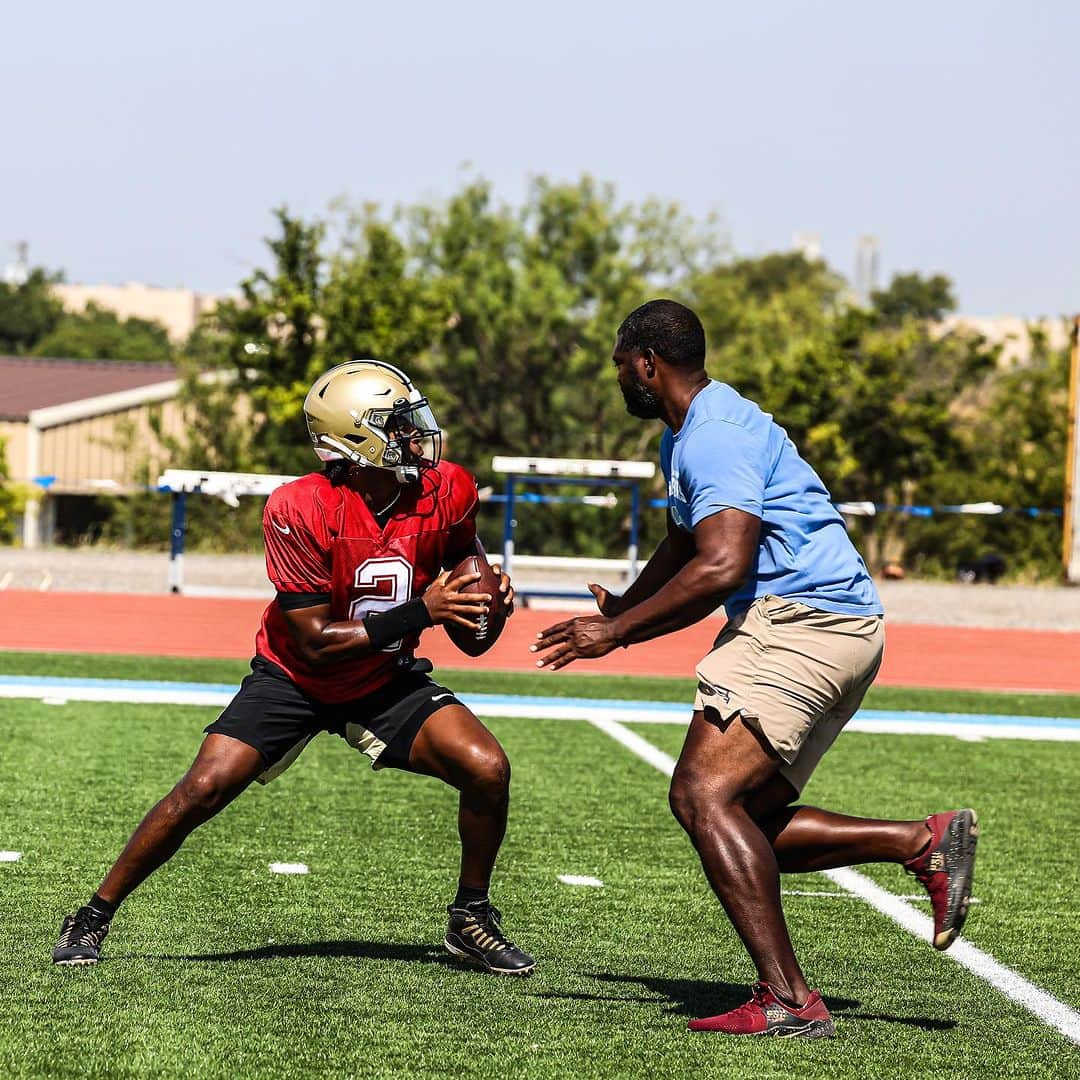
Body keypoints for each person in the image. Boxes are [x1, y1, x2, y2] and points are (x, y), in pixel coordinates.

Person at [531, 300, 976, 1037]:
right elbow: (686, 540)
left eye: (619, 362)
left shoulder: (714, 437)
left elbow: (723, 564)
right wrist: (627, 602)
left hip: (802, 620)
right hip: (836, 625)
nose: (616, 376)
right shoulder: (698, 431)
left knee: (701, 796)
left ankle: (789, 1000)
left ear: (647, 362)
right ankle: (920, 842)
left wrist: (617, 633)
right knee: (749, 821)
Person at [53, 359, 535, 977]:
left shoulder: (446, 491)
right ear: (356, 438)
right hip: (296, 678)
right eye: (398, 424)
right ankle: (93, 914)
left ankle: (470, 918)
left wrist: (486, 609)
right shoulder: (300, 506)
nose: (418, 436)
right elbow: (314, 643)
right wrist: (424, 610)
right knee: (203, 789)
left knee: (488, 768)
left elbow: (472, 634)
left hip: (382, 676)